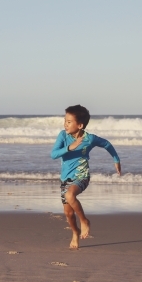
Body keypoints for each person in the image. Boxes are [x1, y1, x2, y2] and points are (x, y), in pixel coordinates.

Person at [51, 105, 121, 249]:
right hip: (66, 178)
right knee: (68, 214)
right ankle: (75, 233)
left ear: (80, 125)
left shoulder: (90, 139)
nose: (65, 124)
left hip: (82, 175)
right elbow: (53, 154)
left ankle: (84, 221)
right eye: (65, 120)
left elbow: (107, 144)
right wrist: (69, 147)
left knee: (70, 195)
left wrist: (116, 160)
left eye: (69, 121)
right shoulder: (63, 135)